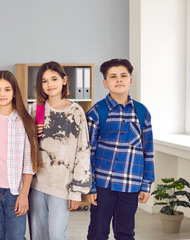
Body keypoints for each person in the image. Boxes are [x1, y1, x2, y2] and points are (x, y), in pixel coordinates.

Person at [85, 58, 154, 240]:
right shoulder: (96, 111)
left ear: (130, 81)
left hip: (130, 185)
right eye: (113, 76)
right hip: (103, 185)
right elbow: (88, 153)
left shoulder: (141, 112)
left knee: (125, 233)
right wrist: (91, 187)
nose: (119, 80)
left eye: (123, 76)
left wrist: (146, 184)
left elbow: (148, 151)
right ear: (105, 83)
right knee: (97, 232)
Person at [28, 61, 92, 240]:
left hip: (62, 187)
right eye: (44, 81)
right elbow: (25, 146)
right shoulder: (35, 108)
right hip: (36, 185)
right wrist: (32, 132)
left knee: (57, 235)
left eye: (54, 79)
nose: (50, 84)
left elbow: (83, 151)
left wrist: (76, 191)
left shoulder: (77, 112)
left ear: (64, 80)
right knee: (38, 235)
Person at [0, 70, 40, 240]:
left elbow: (29, 162)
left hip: (15, 189)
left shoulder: (25, 121)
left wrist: (24, 194)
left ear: (14, 92)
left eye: (7, 89)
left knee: (16, 236)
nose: (2, 94)